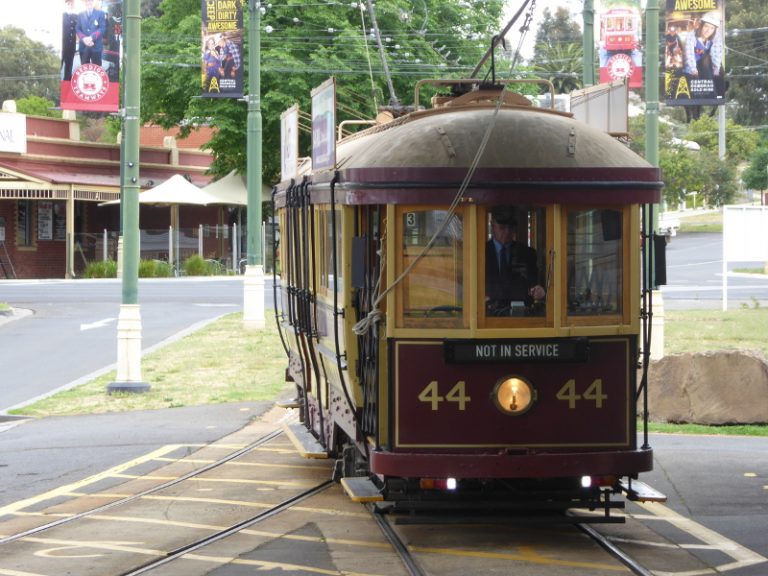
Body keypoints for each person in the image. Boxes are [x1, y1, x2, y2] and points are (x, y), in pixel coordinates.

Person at [485, 206, 545, 316]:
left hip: (521, 317)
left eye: (511, 227)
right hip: (487, 317)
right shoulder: (480, 253)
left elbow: (534, 285)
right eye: (502, 227)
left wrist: (539, 290)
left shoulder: (528, 253)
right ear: (492, 225)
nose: (507, 232)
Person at [683, 12, 723, 83]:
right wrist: (694, 70)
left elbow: (716, 54)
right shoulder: (691, 36)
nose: (708, 30)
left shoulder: (716, 37)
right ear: (701, 26)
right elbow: (689, 55)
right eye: (706, 26)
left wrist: (716, 71)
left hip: (704, 71)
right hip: (689, 71)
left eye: (712, 28)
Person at [76, 0, 107, 66]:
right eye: (86, 1)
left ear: (93, 2)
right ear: (84, 3)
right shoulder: (80, 15)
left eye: (90, 0)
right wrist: (84, 39)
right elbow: (77, 29)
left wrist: (91, 37)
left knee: (97, 70)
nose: (88, 2)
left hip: (96, 47)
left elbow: (102, 28)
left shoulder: (100, 13)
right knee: (84, 70)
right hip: (83, 47)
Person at [62, 0, 78, 80]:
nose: (70, 4)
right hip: (62, 45)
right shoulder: (62, 15)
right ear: (65, 4)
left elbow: (79, 29)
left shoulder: (76, 16)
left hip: (71, 45)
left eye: (72, 3)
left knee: (69, 66)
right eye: (68, 3)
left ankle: (66, 85)